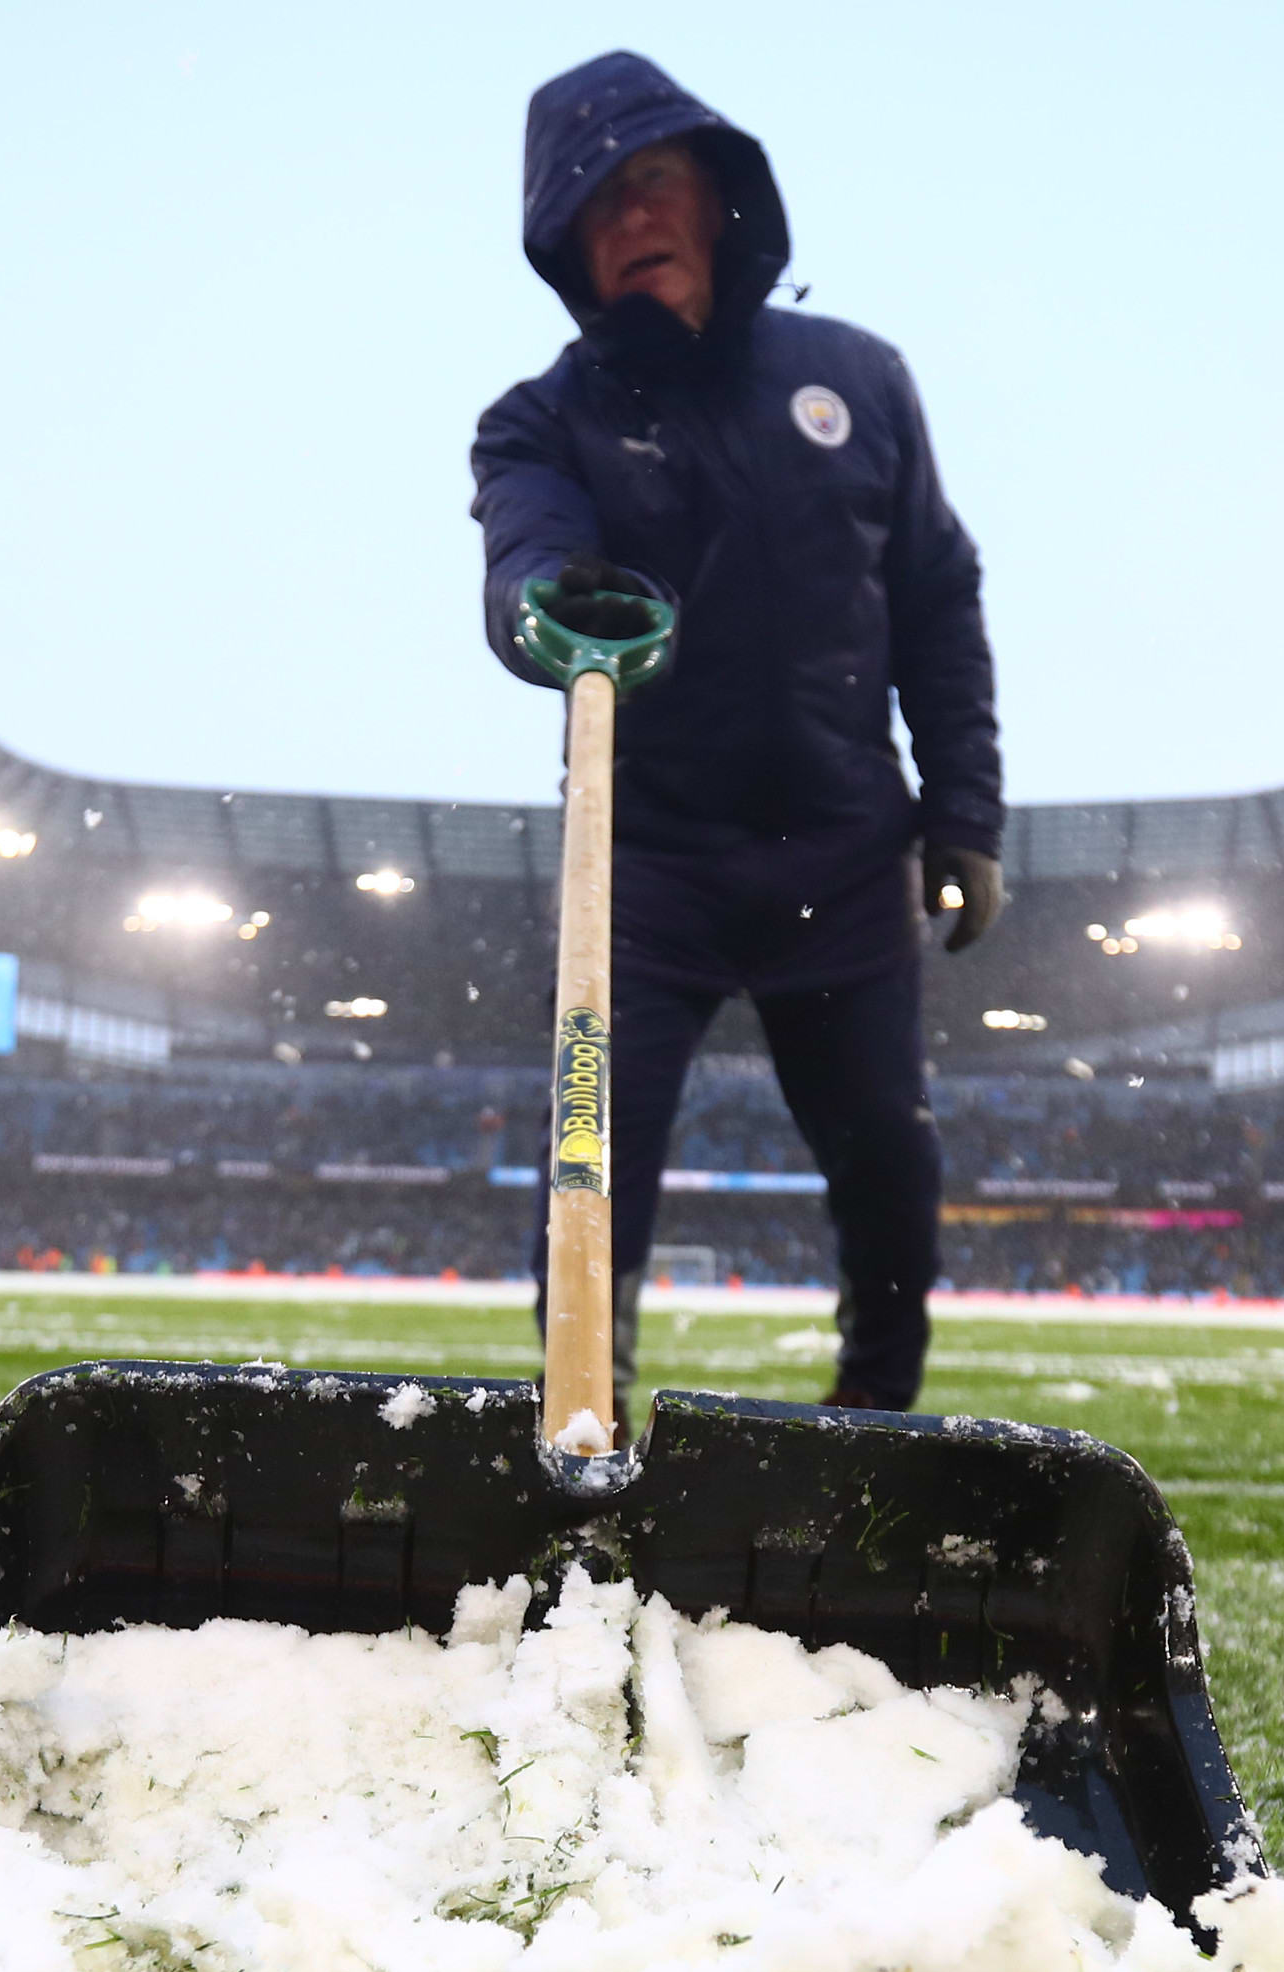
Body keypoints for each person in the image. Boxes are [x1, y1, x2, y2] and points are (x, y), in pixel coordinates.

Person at [473, 53, 1003, 1424]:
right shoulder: (543, 419)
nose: (630, 219)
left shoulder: (857, 381)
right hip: (647, 867)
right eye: (595, 208)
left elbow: (939, 601)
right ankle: (583, 1419)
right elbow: (527, 551)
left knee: (888, 1157)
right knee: (589, 1152)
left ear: (716, 197)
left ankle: (875, 1419)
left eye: (652, 181)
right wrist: (545, 599)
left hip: (841, 855)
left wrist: (966, 815)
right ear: (566, 250)